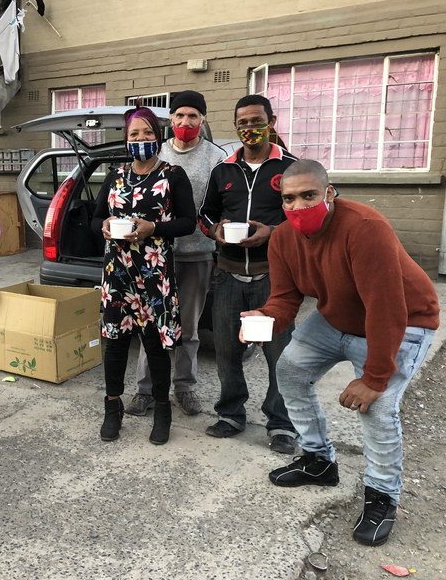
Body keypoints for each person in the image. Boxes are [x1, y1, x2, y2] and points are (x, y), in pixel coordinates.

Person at [240, 159, 439, 547]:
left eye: (309, 195)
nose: (298, 206)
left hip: (406, 317)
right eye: (289, 199)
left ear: (330, 194)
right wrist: (263, 319)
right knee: (291, 370)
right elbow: (284, 300)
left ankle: (383, 497)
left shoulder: (366, 229)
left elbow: (386, 308)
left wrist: (374, 378)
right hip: (338, 317)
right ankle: (319, 461)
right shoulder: (282, 239)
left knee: (378, 406)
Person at [198, 94, 298, 454]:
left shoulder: (290, 168)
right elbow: (205, 214)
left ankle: (282, 424)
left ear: (271, 122)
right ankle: (231, 414)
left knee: (279, 356)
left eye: (257, 122)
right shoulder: (223, 170)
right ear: (235, 126)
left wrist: (272, 232)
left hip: (274, 279)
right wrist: (216, 230)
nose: (250, 129)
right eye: (243, 123)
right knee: (227, 351)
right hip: (227, 277)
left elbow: (304, 215)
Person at [91, 105, 196, 445]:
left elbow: (188, 222)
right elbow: (94, 220)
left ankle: (162, 410)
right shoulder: (114, 175)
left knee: (154, 345)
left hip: (154, 275)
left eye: (147, 133)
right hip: (117, 273)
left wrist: (154, 228)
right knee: (115, 343)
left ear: (158, 136)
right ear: (126, 139)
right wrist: (104, 224)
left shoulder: (172, 174)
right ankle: (112, 406)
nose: (141, 139)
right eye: (134, 134)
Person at [125, 90, 225, 418]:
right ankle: (146, 390)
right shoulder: (156, 151)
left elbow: (220, 207)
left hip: (196, 253)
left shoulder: (216, 158)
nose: (185, 122)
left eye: (193, 116)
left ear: (203, 119)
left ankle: (184, 387)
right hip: (154, 255)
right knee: (150, 323)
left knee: (189, 327)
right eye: (180, 115)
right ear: (171, 119)